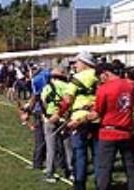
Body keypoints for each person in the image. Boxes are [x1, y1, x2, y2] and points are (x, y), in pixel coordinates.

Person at [86, 63, 134, 190]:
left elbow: (97, 114)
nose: (100, 80)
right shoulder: (130, 85)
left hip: (108, 133)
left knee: (104, 169)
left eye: (100, 76)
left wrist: (86, 115)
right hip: (127, 132)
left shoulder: (104, 89)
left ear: (105, 73)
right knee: (132, 168)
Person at [49, 51, 99, 190]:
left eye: (77, 62)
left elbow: (67, 100)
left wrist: (57, 115)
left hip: (79, 121)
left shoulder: (77, 78)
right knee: (97, 156)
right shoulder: (99, 76)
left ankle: (79, 186)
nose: (75, 65)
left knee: (80, 155)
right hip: (97, 119)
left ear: (84, 63)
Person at [41, 68, 73, 183]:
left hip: (51, 118)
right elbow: (71, 102)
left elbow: (43, 102)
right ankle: (71, 172)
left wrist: (48, 115)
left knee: (51, 148)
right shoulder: (68, 86)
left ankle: (50, 173)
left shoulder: (47, 87)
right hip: (64, 119)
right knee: (68, 147)